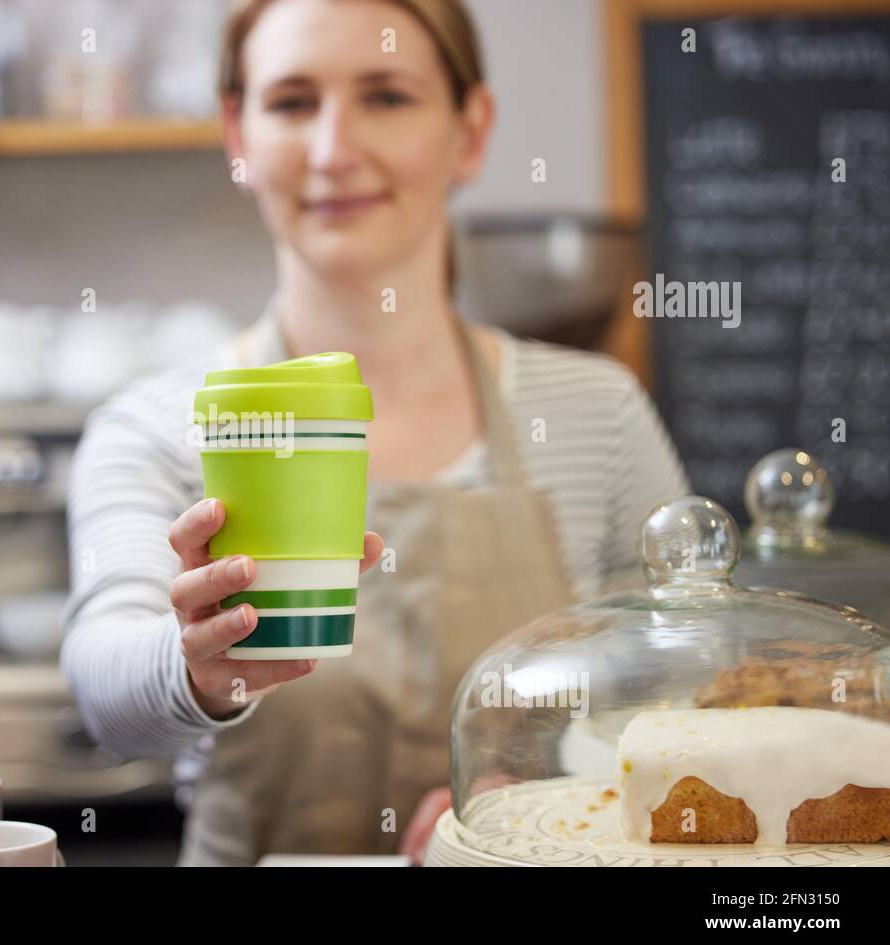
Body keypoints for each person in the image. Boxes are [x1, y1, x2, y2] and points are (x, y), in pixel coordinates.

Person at [61, 0, 689, 866]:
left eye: (386, 96)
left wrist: (545, 784)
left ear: (470, 131)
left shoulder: (599, 414)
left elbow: (684, 691)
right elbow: (103, 686)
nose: (333, 150)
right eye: (291, 102)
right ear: (236, 135)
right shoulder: (158, 428)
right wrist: (195, 667)